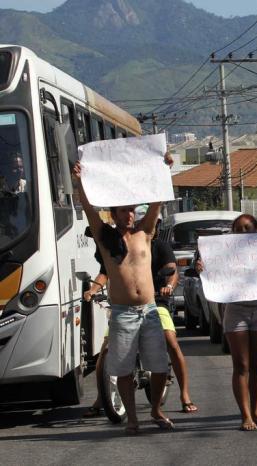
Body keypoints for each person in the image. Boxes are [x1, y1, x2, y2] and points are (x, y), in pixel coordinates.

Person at [72, 154, 173, 435]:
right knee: (125, 370)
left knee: (161, 366)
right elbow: (89, 209)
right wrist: (79, 181)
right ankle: (132, 417)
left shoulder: (146, 233)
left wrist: (163, 170)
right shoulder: (105, 239)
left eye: (132, 210)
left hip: (150, 310)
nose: (130, 214)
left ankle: (155, 409)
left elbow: (157, 202)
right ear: (113, 215)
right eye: (124, 211)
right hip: (123, 313)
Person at [82, 212, 198, 418]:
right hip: (122, 307)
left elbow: (172, 271)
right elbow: (105, 272)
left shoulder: (160, 247)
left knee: (171, 341)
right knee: (105, 348)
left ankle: (185, 394)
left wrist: (168, 287)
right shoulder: (119, 246)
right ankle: (102, 396)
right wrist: (92, 290)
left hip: (155, 303)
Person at [196, 214, 257, 431]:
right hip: (236, 311)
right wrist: (204, 268)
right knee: (241, 366)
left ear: (256, 229)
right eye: (238, 229)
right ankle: (245, 415)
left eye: (247, 227)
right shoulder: (225, 253)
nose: (243, 232)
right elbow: (213, 273)